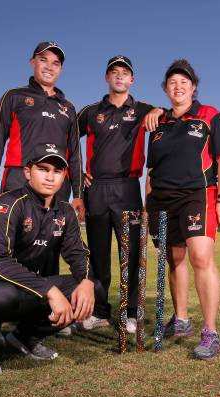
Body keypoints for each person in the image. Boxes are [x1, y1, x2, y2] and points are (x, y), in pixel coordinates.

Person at [0, 143, 104, 377]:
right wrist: (50, 290)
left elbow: (78, 254)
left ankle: (24, 337)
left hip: (27, 289)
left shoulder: (65, 212)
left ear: (64, 176)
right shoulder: (9, 202)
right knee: (2, 295)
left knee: (93, 288)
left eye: (56, 172)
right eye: (43, 169)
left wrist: (85, 281)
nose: (50, 177)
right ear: (28, 172)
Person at [145, 59, 220, 360]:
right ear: (166, 90)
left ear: (193, 88)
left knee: (200, 256)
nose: (178, 86)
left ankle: (210, 331)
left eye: (184, 82)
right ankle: (181, 319)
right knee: (174, 259)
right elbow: (151, 169)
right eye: (172, 82)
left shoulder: (209, 115)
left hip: (198, 195)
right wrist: (148, 205)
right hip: (161, 200)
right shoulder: (158, 124)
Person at [72, 55, 162, 332]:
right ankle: (99, 311)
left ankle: (132, 312)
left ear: (132, 79)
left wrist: (159, 111)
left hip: (127, 188)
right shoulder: (90, 111)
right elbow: (66, 139)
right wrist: (77, 176)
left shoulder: (144, 109)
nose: (120, 76)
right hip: (96, 188)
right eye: (114, 72)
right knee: (98, 255)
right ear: (106, 78)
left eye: (125, 73)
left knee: (131, 253)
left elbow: (167, 114)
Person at [0, 41, 85, 218]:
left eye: (56, 63)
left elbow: (75, 154)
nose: (49, 67)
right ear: (32, 62)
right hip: (19, 177)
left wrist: (78, 195)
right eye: (43, 60)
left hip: (57, 182)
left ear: (61, 69)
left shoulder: (69, 108)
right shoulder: (14, 96)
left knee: (52, 241)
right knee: (10, 239)